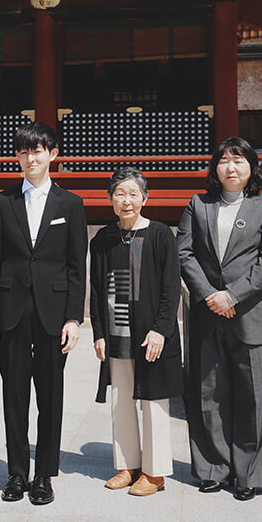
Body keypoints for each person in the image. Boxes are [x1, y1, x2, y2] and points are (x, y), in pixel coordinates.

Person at [0, 122, 87, 506]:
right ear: (18, 157)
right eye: (24, 152)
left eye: (38, 151)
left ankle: (44, 474)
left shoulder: (70, 204)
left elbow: (78, 266)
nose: (31, 158)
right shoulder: (2, 202)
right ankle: (16, 473)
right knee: (13, 394)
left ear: (52, 155)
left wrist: (74, 318)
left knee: (50, 394)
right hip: (10, 311)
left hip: (53, 313)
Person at [178, 137, 262, 501]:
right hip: (209, 313)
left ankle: (248, 474)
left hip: (249, 313)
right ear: (215, 169)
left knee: (252, 396)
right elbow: (185, 253)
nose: (231, 167)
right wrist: (211, 295)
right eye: (224, 161)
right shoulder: (199, 204)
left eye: (239, 161)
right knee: (209, 394)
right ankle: (213, 468)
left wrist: (232, 295)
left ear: (252, 168)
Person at [89, 168, 182, 497]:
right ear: (110, 199)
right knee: (121, 401)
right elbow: (97, 291)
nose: (126, 200)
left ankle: (155, 473)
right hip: (117, 333)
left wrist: (161, 330)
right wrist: (98, 332)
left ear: (145, 198)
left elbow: (172, 288)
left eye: (132, 194)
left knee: (154, 402)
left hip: (150, 335)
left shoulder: (160, 235)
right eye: (119, 193)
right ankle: (127, 466)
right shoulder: (103, 238)